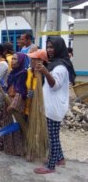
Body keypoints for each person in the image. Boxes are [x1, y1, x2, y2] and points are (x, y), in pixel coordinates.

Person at [34, 37, 76, 174]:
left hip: (54, 107)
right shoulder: (55, 64)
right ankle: (60, 159)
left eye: (52, 47)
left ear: (59, 48)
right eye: (48, 47)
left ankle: (50, 166)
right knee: (54, 135)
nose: (49, 50)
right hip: (52, 106)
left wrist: (45, 72)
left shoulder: (60, 67)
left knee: (52, 137)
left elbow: (55, 85)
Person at [4, 52, 27, 156]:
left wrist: (13, 105)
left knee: (16, 126)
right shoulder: (12, 72)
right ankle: (10, 149)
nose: (12, 61)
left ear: (21, 61)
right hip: (9, 101)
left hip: (16, 103)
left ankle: (19, 150)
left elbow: (21, 91)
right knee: (9, 124)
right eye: (12, 59)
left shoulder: (22, 73)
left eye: (15, 59)